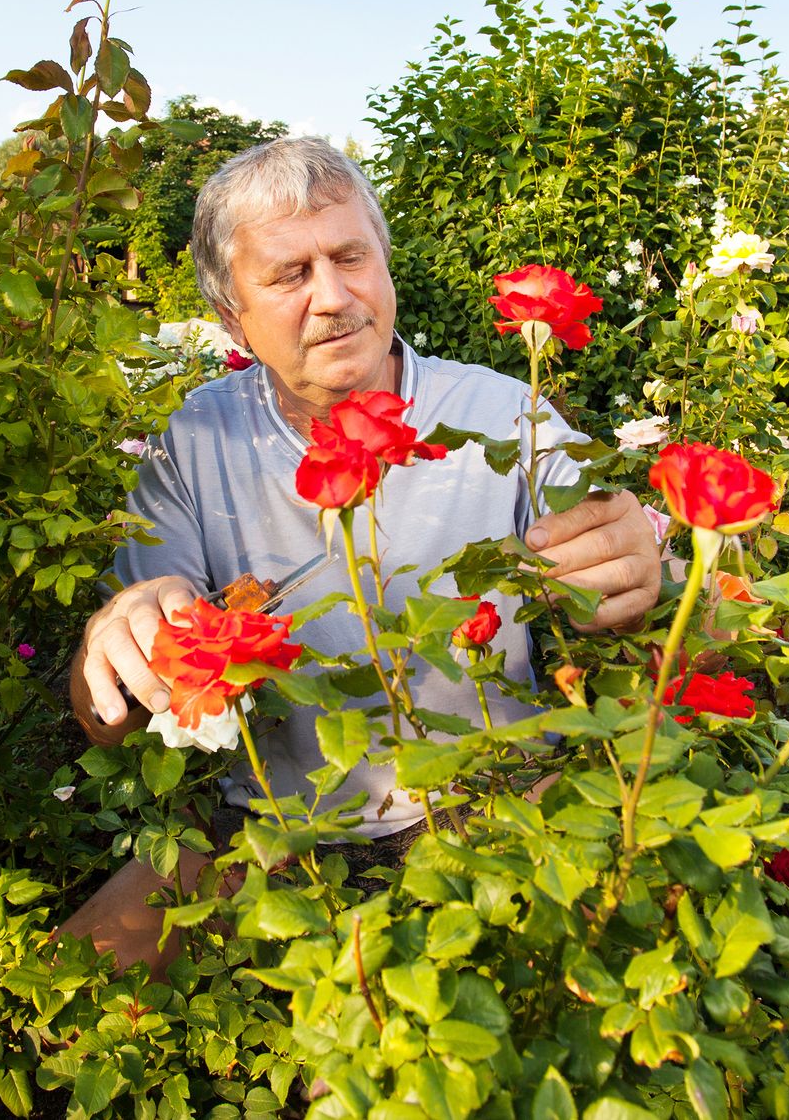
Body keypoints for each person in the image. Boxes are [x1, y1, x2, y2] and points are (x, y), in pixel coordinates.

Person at [61, 137, 660, 970]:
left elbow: (618, 537)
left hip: (498, 800)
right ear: (232, 316)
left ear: (386, 268)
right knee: (62, 987)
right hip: (272, 832)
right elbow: (107, 723)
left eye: (351, 257)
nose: (334, 297)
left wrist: (645, 551)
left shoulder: (499, 411)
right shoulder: (194, 440)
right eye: (290, 275)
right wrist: (113, 639)